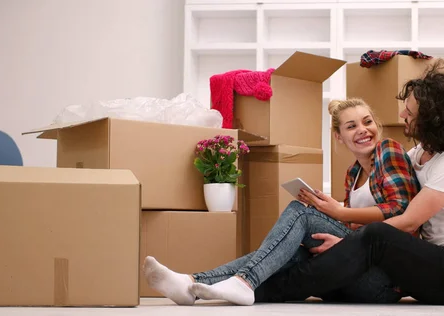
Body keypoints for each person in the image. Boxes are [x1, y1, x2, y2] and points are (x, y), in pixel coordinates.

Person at [249, 60, 444, 307]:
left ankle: (263, 290)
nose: (401, 116)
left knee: (376, 235)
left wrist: (350, 240)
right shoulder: (422, 152)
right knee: (317, 244)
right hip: (438, 260)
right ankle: (232, 280)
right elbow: (387, 171)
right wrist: (330, 209)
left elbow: (408, 220)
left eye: (409, 112)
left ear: (432, 118)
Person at [142, 98, 420, 306]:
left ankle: (242, 281)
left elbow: (401, 212)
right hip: (356, 278)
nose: (363, 130)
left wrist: (338, 212)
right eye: (351, 126)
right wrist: (338, 219)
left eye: (367, 122)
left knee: (302, 211)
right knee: (292, 254)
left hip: (386, 281)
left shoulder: (389, 150)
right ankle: (192, 285)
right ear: (339, 136)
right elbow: (354, 225)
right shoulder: (353, 173)